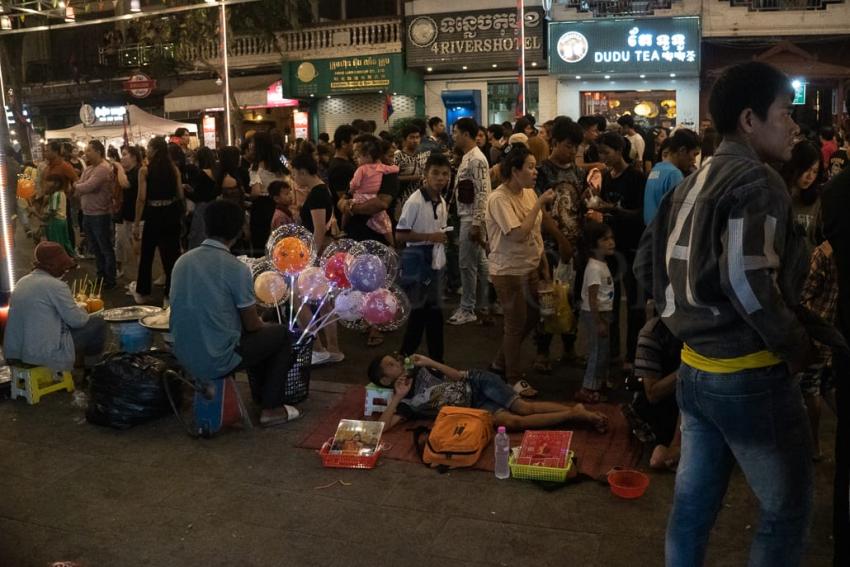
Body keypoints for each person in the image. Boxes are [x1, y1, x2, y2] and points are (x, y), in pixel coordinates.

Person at [636, 61, 814, 566]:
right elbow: (748, 281)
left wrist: (680, 318)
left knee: (692, 509)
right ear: (749, 119)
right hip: (749, 376)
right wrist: (795, 344)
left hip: (695, 370)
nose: (794, 125)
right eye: (785, 112)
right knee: (787, 511)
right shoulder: (758, 181)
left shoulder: (693, 179)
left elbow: (647, 261)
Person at [170, 200, 300, 427]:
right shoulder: (235, 268)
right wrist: (263, 319)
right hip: (217, 357)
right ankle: (271, 408)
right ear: (239, 231)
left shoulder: (183, 261)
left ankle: (262, 396)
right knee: (281, 335)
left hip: (182, 353)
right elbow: (252, 326)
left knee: (264, 334)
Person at [369, 353, 608, 433]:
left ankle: (576, 414)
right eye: (390, 365)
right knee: (513, 422)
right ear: (385, 379)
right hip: (475, 409)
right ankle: (573, 413)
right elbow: (380, 429)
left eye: (395, 360)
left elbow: (457, 375)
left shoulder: (418, 369)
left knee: (523, 407)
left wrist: (430, 361)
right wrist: (399, 395)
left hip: (478, 382)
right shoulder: (405, 401)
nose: (397, 363)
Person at [485, 145, 555, 397]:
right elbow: (517, 234)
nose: (535, 172)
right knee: (515, 325)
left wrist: (543, 260)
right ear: (515, 171)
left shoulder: (527, 192)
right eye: (530, 167)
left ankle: (499, 363)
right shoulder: (499, 198)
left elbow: (535, 231)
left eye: (535, 166)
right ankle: (512, 378)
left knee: (533, 317)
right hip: (509, 271)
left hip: (530, 266)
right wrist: (539, 203)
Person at [591, 131, 646, 380]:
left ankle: (633, 356)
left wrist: (613, 209)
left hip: (632, 247)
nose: (603, 158)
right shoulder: (606, 176)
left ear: (619, 150)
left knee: (635, 303)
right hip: (611, 249)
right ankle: (612, 351)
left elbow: (641, 214)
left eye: (606, 152)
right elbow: (604, 208)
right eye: (600, 153)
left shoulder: (636, 177)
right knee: (608, 301)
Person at [4, 242, 107, 373]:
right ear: (50, 266)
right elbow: (77, 321)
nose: (66, 269)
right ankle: (92, 372)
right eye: (62, 266)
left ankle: (78, 366)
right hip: (40, 356)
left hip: (14, 353)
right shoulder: (55, 285)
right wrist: (82, 308)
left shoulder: (22, 281)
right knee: (97, 323)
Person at [533, 117, 585, 371]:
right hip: (550, 246)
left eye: (576, 147)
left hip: (575, 244)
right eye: (567, 145)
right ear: (554, 142)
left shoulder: (577, 171)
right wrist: (561, 240)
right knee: (548, 299)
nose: (572, 151)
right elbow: (540, 211)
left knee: (572, 299)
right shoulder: (542, 171)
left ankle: (570, 349)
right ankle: (542, 352)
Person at [397, 153, 451, 363]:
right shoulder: (415, 201)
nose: (440, 178)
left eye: (444, 174)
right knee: (426, 313)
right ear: (425, 175)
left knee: (427, 314)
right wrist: (431, 237)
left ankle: (411, 357)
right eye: (435, 173)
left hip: (434, 261)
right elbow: (400, 235)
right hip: (417, 260)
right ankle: (425, 359)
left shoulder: (442, 201)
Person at [290, 153, 343, 364]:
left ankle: (319, 349)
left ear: (302, 171)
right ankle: (333, 349)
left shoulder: (317, 194)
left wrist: (311, 258)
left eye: (293, 172)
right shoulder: (321, 189)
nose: (293, 177)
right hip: (323, 250)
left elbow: (319, 230)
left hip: (318, 252)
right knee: (325, 303)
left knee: (296, 297)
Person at [797, 239, 838, 461]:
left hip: (815, 334)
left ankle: (813, 446)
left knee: (810, 388)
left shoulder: (823, 254)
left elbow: (803, 297)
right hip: (833, 332)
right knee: (828, 386)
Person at [448, 117, 492, 326]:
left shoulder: (476, 159)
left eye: (456, 132)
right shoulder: (467, 157)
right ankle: (482, 304)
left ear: (466, 134)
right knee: (480, 264)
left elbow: (483, 191)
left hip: (472, 218)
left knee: (467, 265)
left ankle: (468, 308)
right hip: (468, 216)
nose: (453, 135)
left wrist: (477, 223)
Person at [625, 316, 683, 471]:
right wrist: (690, 367)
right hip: (662, 410)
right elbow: (653, 394)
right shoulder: (653, 332)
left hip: (693, 406)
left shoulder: (706, 328)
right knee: (659, 458)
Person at [132, 137, 183, 303]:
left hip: (153, 214)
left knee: (147, 254)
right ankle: (170, 294)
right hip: (171, 213)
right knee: (171, 256)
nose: (147, 150)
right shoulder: (174, 169)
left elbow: (141, 198)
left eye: (148, 147)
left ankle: (143, 292)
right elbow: (180, 195)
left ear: (154, 150)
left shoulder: (145, 170)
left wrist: (137, 223)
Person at [575, 221, 616, 404]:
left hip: (602, 313)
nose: (611, 242)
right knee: (597, 351)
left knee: (603, 351)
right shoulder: (594, 268)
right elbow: (592, 298)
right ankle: (588, 387)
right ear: (594, 244)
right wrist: (598, 321)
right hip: (595, 314)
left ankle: (598, 383)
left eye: (611, 238)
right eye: (605, 239)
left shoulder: (601, 264)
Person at [73, 140, 117, 289]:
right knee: (95, 248)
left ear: (98, 152)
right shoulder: (89, 168)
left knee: (105, 247)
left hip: (100, 214)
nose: (86, 153)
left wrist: (78, 185)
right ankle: (101, 276)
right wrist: (79, 185)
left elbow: (86, 186)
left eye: (89, 150)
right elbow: (81, 185)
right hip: (88, 213)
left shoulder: (103, 168)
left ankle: (110, 279)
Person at [348, 134, 399, 245]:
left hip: (377, 236)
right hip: (356, 233)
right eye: (354, 152)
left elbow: (381, 204)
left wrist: (352, 208)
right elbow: (343, 200)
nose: (354, 156)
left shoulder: (387, 173)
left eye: (358, 152)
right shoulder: (359, 170)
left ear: (371, 153)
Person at [643, 128, 700, 226]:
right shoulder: (674, 174)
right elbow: (678, 213)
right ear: (682, 150)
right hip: (663, 234)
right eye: (694, 154)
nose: (694, 160)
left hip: (649, 231)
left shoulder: (655, 169)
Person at [248, 132, 287, 257]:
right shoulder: (281, 160)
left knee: (261, 244)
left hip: (261, 209)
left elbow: (256, 192)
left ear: (258, 146)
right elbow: (290, 174)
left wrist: (248, 197)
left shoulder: (256, 167)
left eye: (252, 143)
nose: (250, 145)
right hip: (281, 205)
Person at [782, 140, 822, 252]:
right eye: (807, 170)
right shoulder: (780, 195)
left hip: (807, 264)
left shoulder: (816, 200)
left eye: (815, 171)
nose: (810, 176)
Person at [186, 146, 220, 250]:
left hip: (202, 207)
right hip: (214, 205)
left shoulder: (202, 173)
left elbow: (198, 196)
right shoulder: (216, 172)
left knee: (199, 235)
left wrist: (185, 191)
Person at [116, 146, 141, 280]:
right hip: (127, 216)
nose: (122, 157)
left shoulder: (137, 172)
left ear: (134, 157)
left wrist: (119, 167)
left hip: (137, 218)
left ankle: (140, 282)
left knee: (138, 251)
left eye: (125, 154)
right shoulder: (130, 171)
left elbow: (124, 183)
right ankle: (137, 280)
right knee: (131, 249)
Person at [394, 124, 428, 216]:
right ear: (404, 139)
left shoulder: (424, 155)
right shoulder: (398, 156)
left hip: (421, 200)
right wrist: (412, 177)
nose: (415, 140)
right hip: (402, 201)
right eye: (411, 137)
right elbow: (393, 178)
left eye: (417, 137)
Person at [42, 174, 75, 256]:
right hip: (63, 220)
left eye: (48, 182)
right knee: (65, 241)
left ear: (56, 183)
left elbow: (53, 210)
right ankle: (71, 258)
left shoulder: (55, 195)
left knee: (57, 243)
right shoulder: (62, 193)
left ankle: (61, 261)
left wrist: (41, 216)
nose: (46, 184)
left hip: (56, 222)